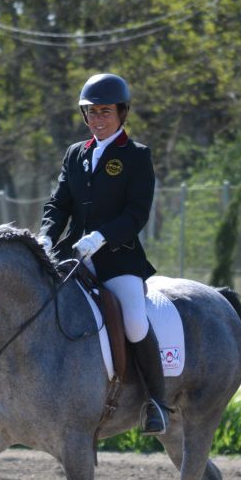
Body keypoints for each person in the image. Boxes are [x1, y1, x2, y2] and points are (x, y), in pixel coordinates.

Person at [38, 72, 168, 435]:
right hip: (72, 255)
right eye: (91, 112)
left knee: (135, 322)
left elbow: (137, 213)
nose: (97, 119)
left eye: (105, 112)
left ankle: (156, 401)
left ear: (122, 113)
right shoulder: (75, 154)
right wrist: (47, 236)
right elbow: (58, 203)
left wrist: (102, 236)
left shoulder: (136, 156)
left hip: (118, 257)